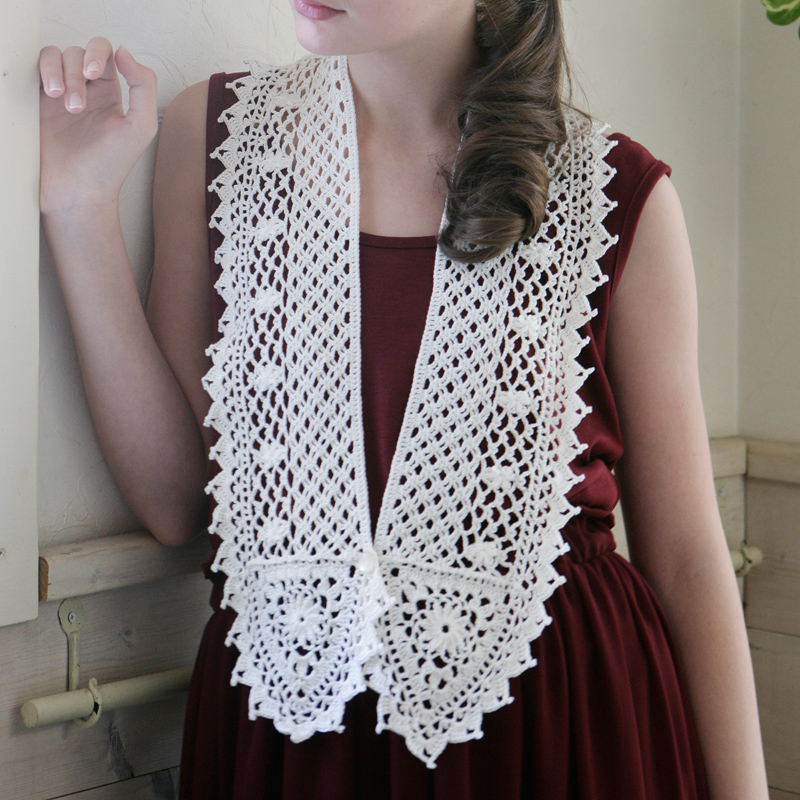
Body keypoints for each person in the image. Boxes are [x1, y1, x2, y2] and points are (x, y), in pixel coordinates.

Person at [39, 0, 769, 797]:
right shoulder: (216, 136)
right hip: (291, 742)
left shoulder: (617, 193)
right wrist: (79, 212)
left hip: (559, 733)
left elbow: (688, 561)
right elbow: (177, 503)